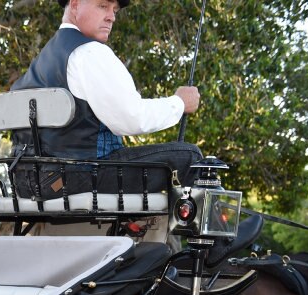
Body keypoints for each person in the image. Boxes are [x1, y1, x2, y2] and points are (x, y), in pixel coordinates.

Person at [11, 0, 203, 198]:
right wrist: (179, 103)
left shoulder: (44, 60)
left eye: (114, 10)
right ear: (75, 5)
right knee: (190, 157)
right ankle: (201, 229)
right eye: (103, 6)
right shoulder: (89, 52)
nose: (111, 16)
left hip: (27, 182)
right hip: (75, 177)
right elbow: (133, 119)